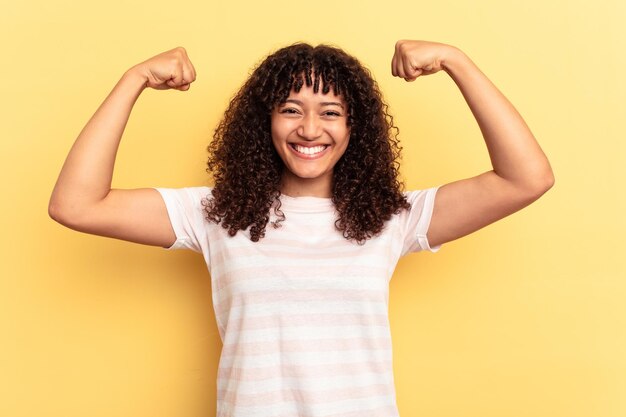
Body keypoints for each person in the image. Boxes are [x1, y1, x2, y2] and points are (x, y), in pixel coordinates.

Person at [49, 40, 554, 416]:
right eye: (290, 109)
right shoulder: (215, 211)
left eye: (330, 113)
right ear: (263, 124)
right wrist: (133, 78)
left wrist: (455, 61)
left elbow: (526, 178)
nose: (310, 129)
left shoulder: (391, 217)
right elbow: (76, 204)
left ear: (355, 129)